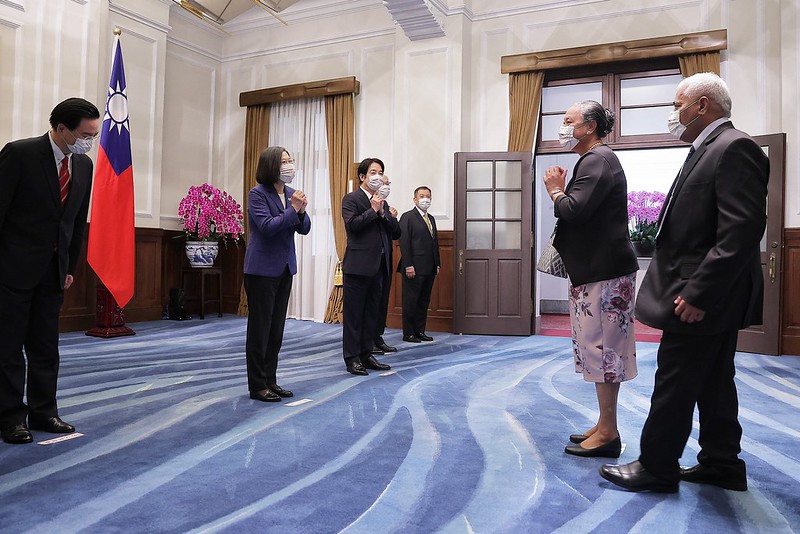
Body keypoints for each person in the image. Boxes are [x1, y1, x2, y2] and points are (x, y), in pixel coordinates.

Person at [600, 73, 769, 493]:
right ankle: (722, 462)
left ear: (702, 106)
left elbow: (739, 233)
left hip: (702, 296)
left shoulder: (734, 147)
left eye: (678, 105)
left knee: (674, 380)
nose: (673, 114)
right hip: (708, 293)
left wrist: (698, 294)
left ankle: (657, 467)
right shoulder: (710, 148)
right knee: (713, 381)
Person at [0, 97, 100, 444]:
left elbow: (76, 222)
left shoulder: (84, 165)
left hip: (54, 272)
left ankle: (44, 412)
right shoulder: (20, 154)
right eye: (86, 134)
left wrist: (70, 265)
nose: (91, 141)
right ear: (61, 129)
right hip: (12, 271)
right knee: (9, 347)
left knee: (45, 347)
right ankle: (11, 417)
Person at [543, 100, 639, 459]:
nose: (563, 127)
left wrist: (554, 188)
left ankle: (609, 432)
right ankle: (603, 424)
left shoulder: (598, 159)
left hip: (605, 273)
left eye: (569, 121)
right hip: (598, 271)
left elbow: (573, 210)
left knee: (604, 351)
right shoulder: (595, 159)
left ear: (591, 126)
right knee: (598, 350)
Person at [243, 146, 310, 402]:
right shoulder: (257, 195)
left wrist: (301, 212)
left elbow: (304, 228)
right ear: (271, 165)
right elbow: (268, 228)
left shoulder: (292, 194)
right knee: (260, 329)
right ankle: (257, 385)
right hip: (260, 270)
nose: (289, 164)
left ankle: (271, 379)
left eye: (291, 159)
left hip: (284, 268)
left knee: (276, 329)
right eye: (284, 161)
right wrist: (293, 210)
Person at [341, 158, 400, 376]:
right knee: (355, 315)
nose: (377, 175)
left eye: (381, 171)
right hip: (358, 266)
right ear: (363, 177)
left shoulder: (382, 201)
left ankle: (367, 354)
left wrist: (384, 213)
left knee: (371, 314)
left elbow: (396, 232)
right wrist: (373, 210)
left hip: (380, 266)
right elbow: (353, 226)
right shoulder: (351, 199)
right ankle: (352, 358)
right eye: (373, 172)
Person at [397, 186, 440, 343]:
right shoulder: (407, 217)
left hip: (429, 266)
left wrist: (437, 263)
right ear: (415, 199)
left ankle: (420, 331)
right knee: (411, 300)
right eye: (421, 196)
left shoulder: (431, 219)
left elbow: (435, 243)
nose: (425, 199)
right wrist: (408, 264)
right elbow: (404, 242)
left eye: (428, 196)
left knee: (424, 300)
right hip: (413, 267)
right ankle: (408, 333)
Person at [372, 172, 399, 356]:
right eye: (384, 181)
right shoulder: (361, 201)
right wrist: (375, 210)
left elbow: (396, 233)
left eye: (388, 182)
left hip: (385, 261)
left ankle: (377, 337)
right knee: (371, 304)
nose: (386, 185)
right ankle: (369, 340)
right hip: (368, 261)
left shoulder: (386, 205)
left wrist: (390, 217)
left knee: (382, 302)